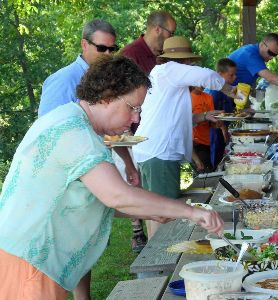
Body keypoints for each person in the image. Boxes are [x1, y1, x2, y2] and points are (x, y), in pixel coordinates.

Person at [0, 56, 224, 299]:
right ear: (107, 96)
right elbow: (117, 195)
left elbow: (94, 198)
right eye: (132, 108)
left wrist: (147, 210)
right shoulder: (75, 132)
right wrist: (193, 212)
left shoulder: (71, 120)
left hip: (28, 254)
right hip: (31, 260)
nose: (136, 119)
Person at [37, 19, 138, 299]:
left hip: (91, 168)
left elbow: (108, 125)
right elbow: (48, 134)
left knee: (83, 242)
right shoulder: (63, 80)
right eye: (101, 48)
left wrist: (127, 162)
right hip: (66, 178)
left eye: (112, 49)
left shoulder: (106, 80)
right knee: (61, 251)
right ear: (84, 44)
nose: (108, 54)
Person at [133, 36, 232, 239]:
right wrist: (231, 90)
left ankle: (155, 264)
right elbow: (208, 76)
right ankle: (159, 262)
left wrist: (204, 116)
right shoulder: (170, 70)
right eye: (189, 61)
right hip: (161, 153)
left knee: (157, 210)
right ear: (183, 60)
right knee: (164, 213)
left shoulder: (162, 75)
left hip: (153, 151)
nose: (190, 64)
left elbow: (174, 117)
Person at [121, 10, 177, 252]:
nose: (172, 38)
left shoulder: (159, 56)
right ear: (157, 29)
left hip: (150, 130)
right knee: (133, 180)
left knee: (143, 182)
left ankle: (149, 228)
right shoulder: (131, 54)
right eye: (170, 33)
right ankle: (138, 232)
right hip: (130, 128)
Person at [206, 58, 236, 169]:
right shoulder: (215, 92)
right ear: (219, 75)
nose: (234, 77)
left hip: (224, 129)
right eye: (231, 75)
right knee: (216, 160)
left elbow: (229, 110)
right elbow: (213, 115)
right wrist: (224, 130)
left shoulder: (227, 91)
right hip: (215, 132)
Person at [191, 86, 216, 172]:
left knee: (213, 170)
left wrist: (218, 123)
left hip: (210, 141)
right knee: (204, 173)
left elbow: (212, 122)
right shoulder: (187, 98)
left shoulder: (208, 97)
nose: (203, 85)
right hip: (196, 143)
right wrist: (195, 158)